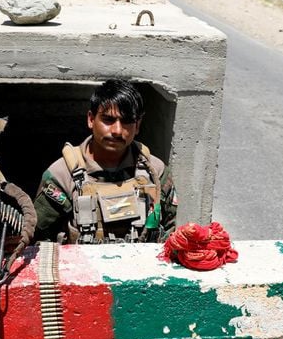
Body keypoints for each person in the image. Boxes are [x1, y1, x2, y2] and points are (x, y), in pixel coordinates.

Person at [33, 79, 177, 244]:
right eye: (108, 120)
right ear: (91, 119)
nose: (117, 130)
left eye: (127, 121)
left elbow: (171, 232)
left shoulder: (156, 171)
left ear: (137, 126)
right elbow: (37, 237)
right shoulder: (62, 174)